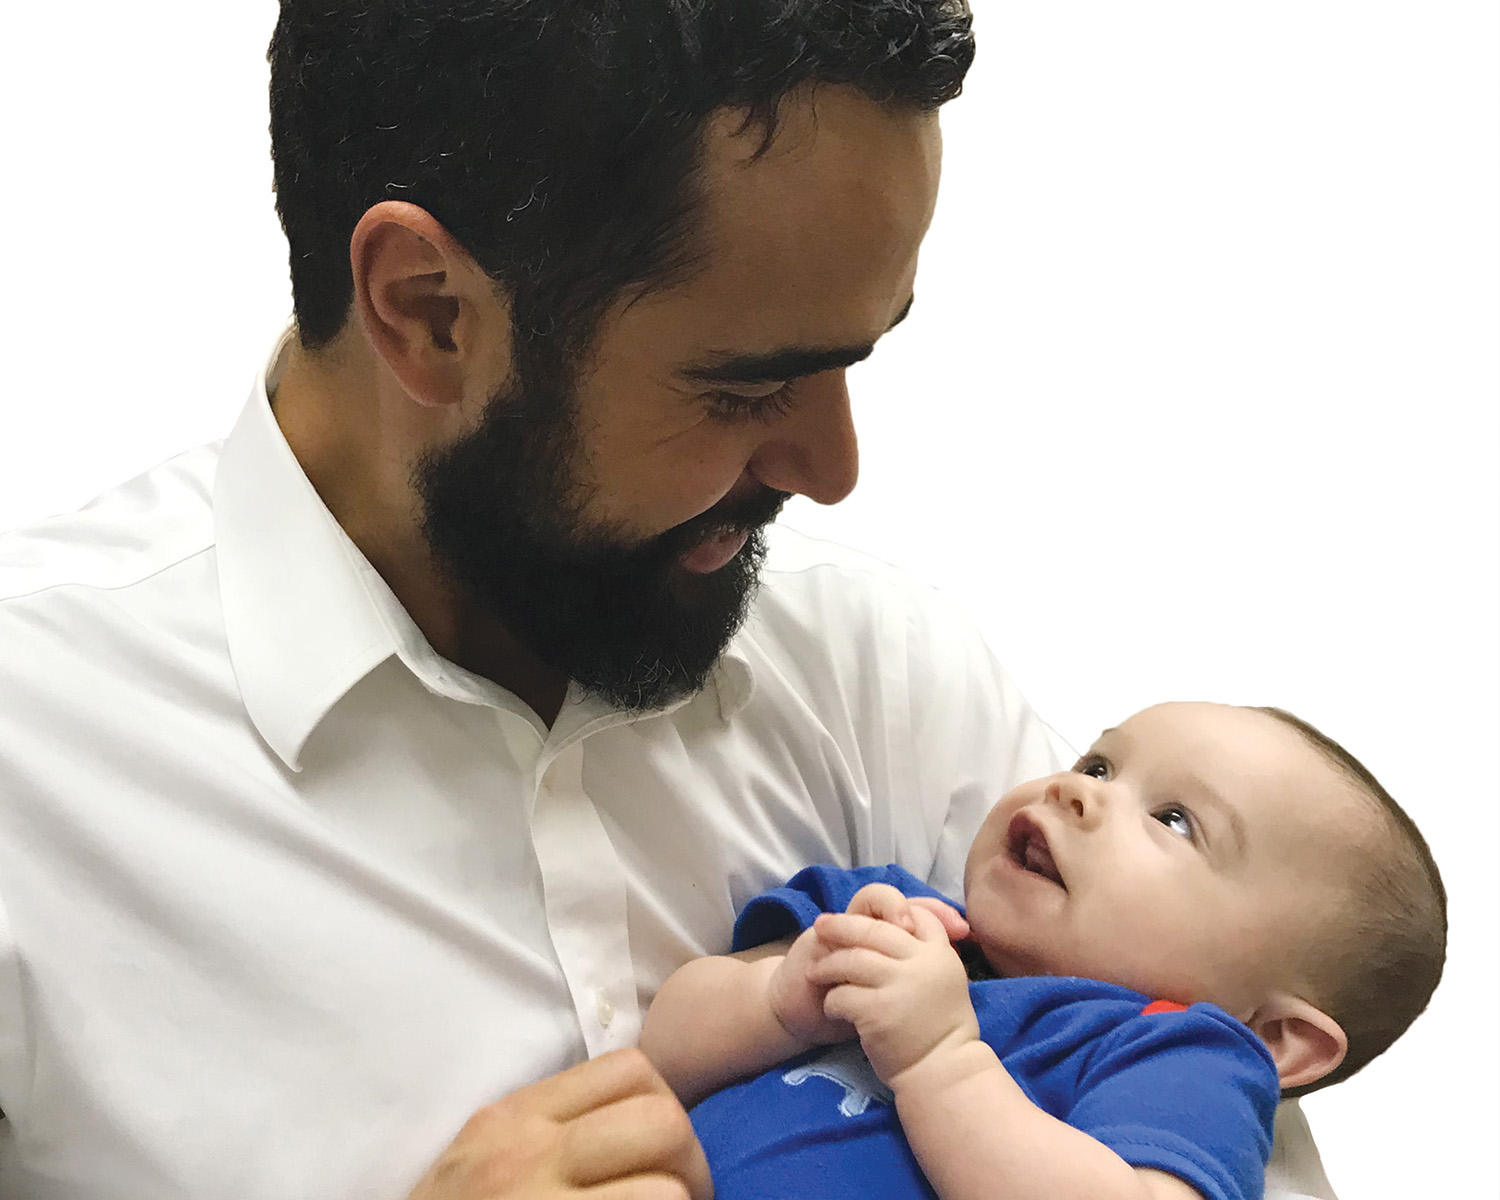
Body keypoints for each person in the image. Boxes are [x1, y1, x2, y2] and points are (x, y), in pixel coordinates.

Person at [0, 3, 1335, 1199]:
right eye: (747, 385)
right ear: (428, 311)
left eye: (857, 360)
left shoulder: (880, 685)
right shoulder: (35, 761)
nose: (834, 469)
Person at [641, 702, 1447, 1200]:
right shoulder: (886, 909)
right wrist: (781, 997)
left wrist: (941, 1061)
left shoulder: (1181, 1053)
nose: (1080, 790)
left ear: (1275, 1037)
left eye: (1173, 821)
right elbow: (660, 1050)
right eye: (1099, 763)